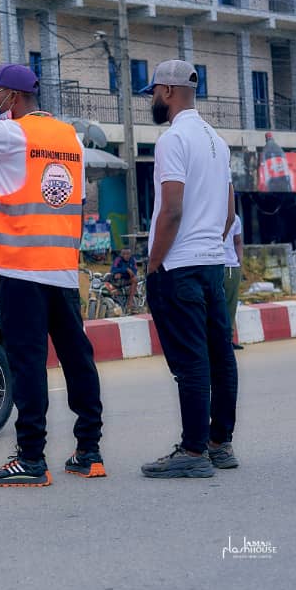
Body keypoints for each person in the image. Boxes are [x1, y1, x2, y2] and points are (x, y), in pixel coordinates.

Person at [0, 46, 105, 487]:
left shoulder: (12, 134)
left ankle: (31, 457)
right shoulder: (69, 137)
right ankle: (89, 450)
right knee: (77, 358)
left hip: (21, 270)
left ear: (12, 97)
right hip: (63, 270)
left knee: (28, 363)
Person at [139, 60, 239, 479]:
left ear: (166, 91)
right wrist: (210, 244)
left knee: (191, 363)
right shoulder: (217, 140)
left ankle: (193, 451)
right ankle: (220, 443)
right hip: (213, 264)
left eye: (153, 94)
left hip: (179, 266)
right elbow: (230, 211)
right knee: (220, 357)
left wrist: (155, 260)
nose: (152, 102)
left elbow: (172, 208)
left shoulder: (173, 139)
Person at [224, 213, 244, 350]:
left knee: (230, 305)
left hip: (231, 266)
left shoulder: (235, 218)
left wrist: (239, 260)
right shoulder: (207, 213)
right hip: (211, 264)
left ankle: (227, 340)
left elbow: (237, 241)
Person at [107, 247, 138, 313]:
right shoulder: (118, 259)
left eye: (128, 254)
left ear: (130, 254)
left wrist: (122, 273)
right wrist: (126, 269)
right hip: (117, 281)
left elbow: (134, 272)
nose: (126, 256)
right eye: (124, 254)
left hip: (127, 280)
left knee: (135, 279)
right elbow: (113, 270)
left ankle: (130, 304)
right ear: (121, 254)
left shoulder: (133, 260)